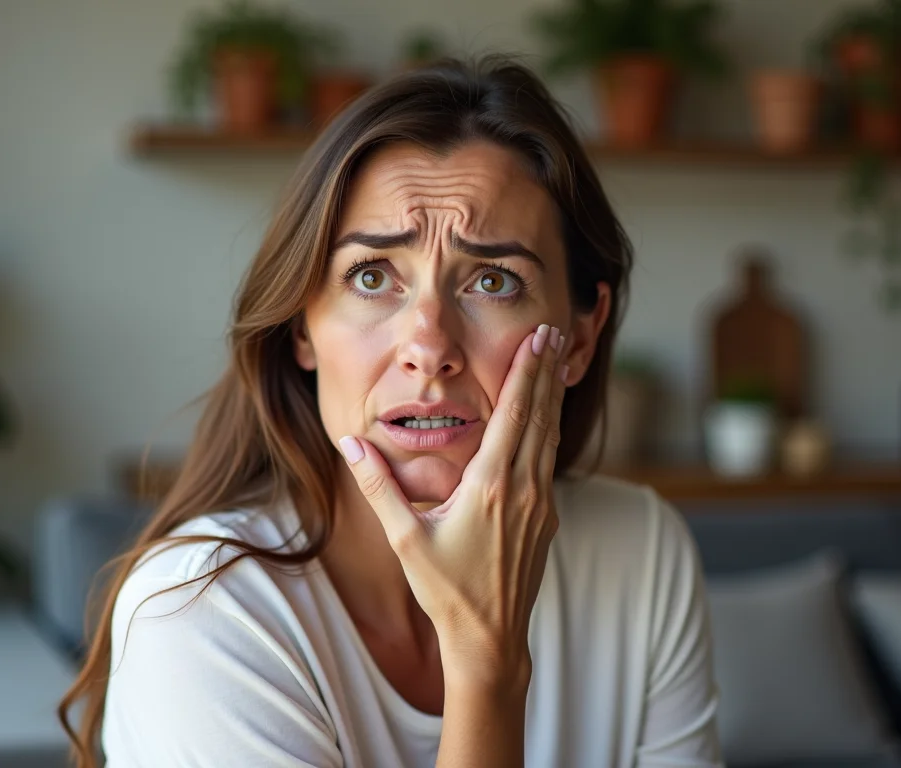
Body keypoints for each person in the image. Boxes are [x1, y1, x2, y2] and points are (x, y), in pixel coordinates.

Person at [59, 55, 722, 768]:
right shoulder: (196, 612)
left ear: (579, 340)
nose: (429, 346)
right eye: (372, 277)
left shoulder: (641, 553)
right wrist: (485, 666)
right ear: (302, 329)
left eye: (494, 280)